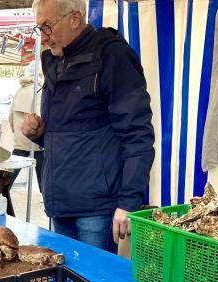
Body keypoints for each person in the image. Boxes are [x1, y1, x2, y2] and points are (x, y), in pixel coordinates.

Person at [22, 0, 155, 253]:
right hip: (61, 204)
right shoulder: (54, 61)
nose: (43, 37)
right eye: (38, 28)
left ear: (74, 19)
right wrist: (40, 134)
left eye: (47, 27)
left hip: (97, 209)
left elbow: (138, 135)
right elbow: (70, 129)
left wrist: (128, 202)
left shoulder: (112, 56)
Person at [8, 65, 45, 193]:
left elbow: (10, 115)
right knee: (43, 178)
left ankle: (1, 194)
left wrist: (17, 132)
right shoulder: (40, 90)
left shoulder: (20, 90)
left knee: (8, 177)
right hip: (36, 142)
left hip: (20, 141)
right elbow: (42, 117)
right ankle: (45, 197)